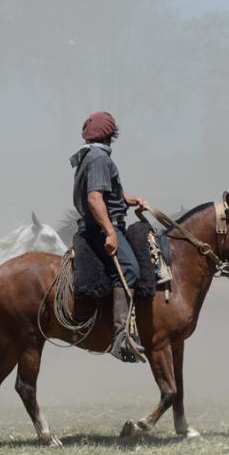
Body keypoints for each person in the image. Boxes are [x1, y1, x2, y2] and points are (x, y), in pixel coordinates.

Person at [70, 111, 146, 362]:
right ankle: (121, 336)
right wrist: (111, 232)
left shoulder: (88, 156)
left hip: (99, 224)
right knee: (130, 269)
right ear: (111, 135)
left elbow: (102, 193)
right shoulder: (100, 158)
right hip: (102, 228)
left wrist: (128, 199)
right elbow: (94, 198)